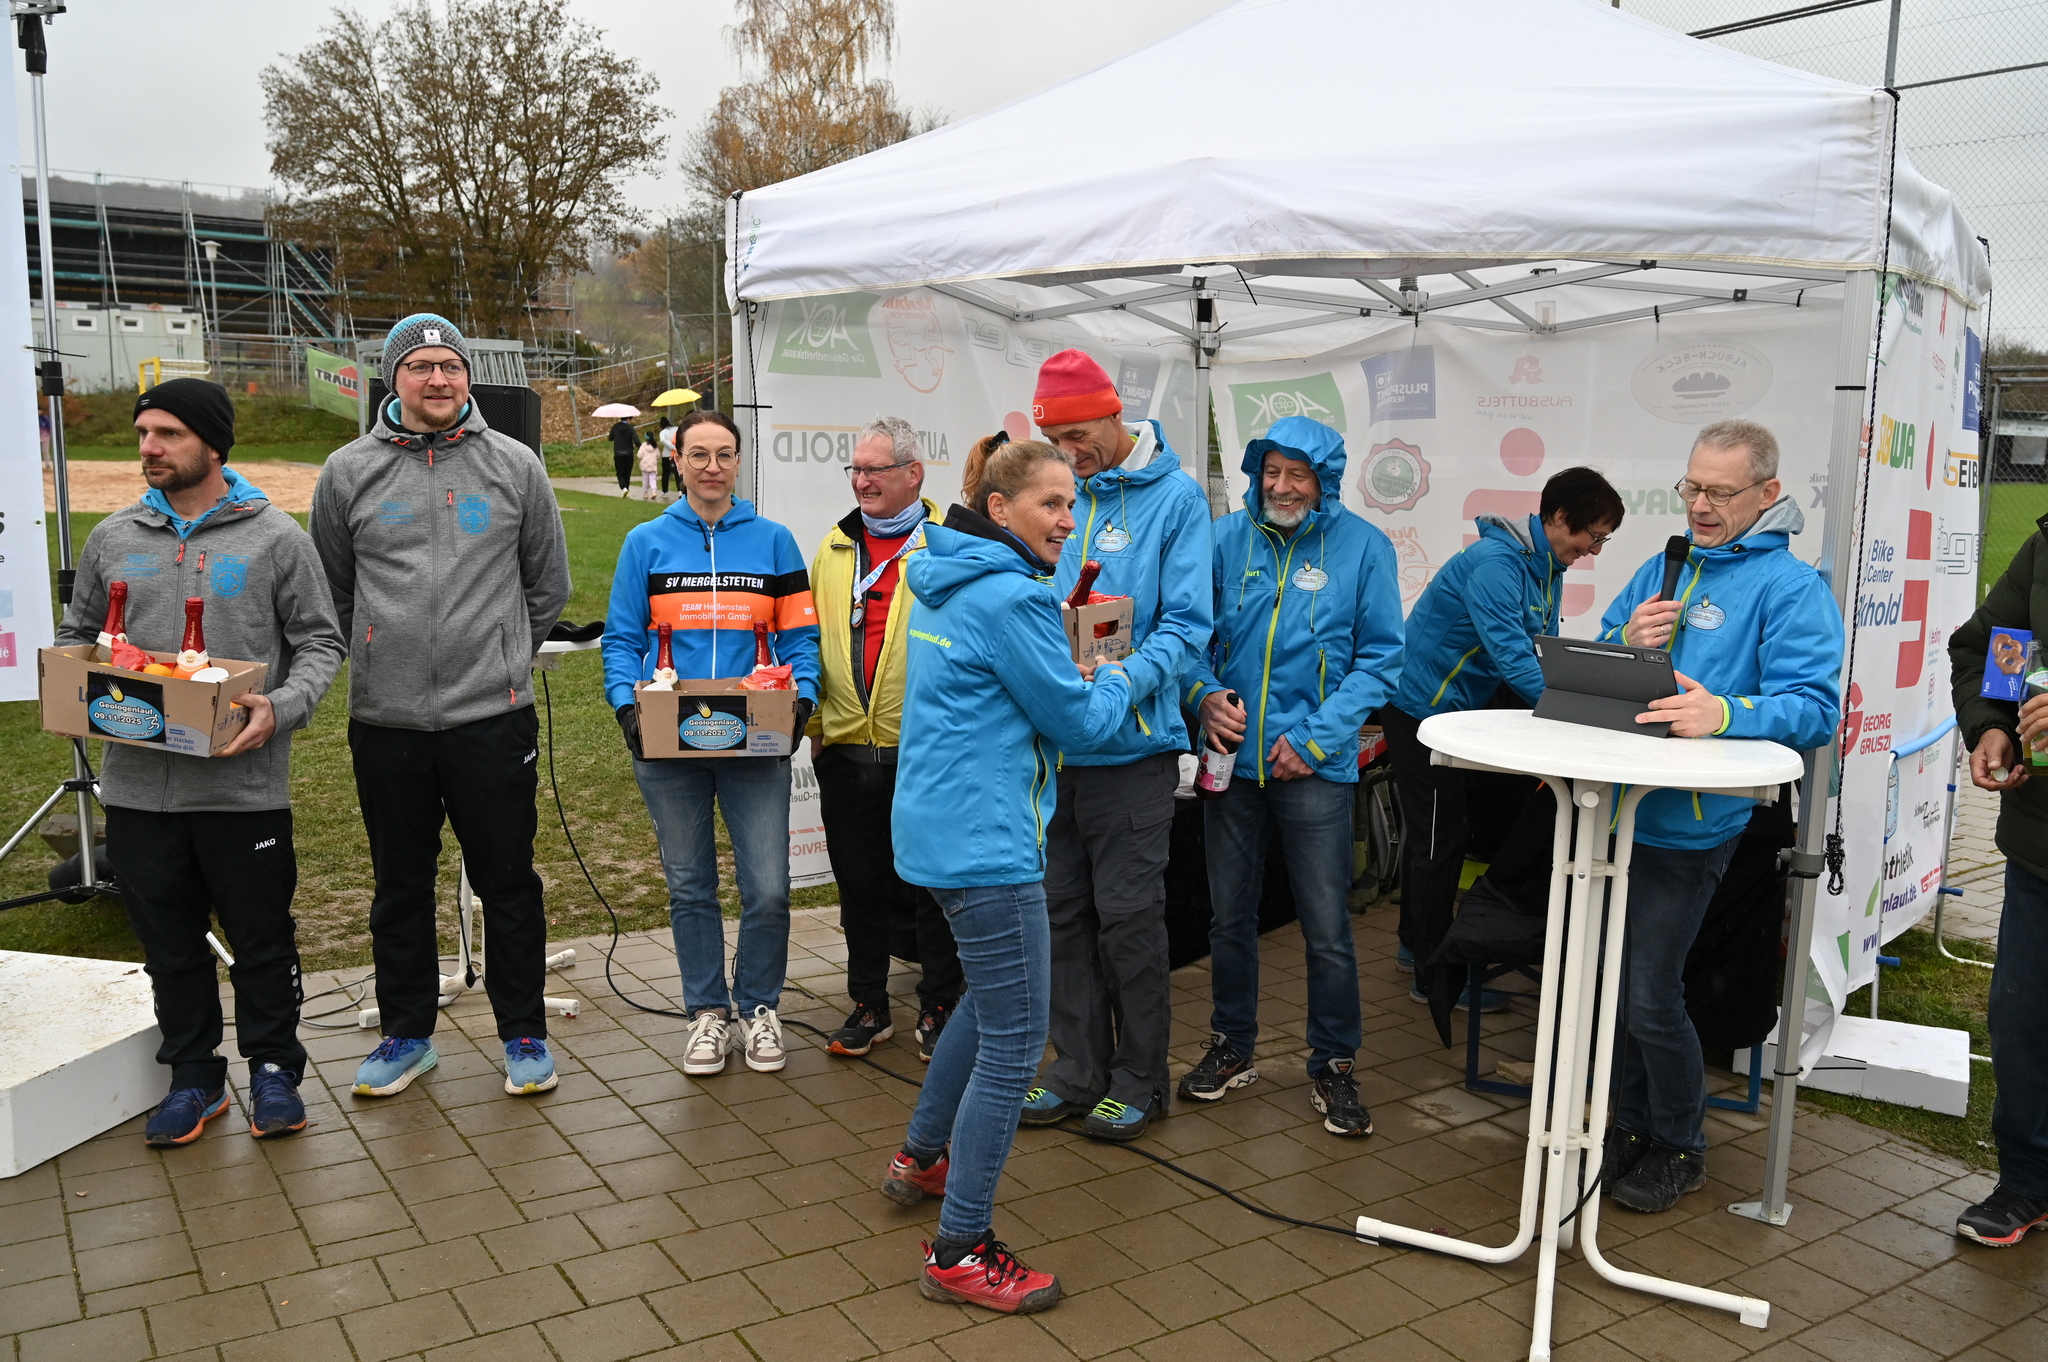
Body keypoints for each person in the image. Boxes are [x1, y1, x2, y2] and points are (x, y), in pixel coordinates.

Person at [881, 438, 1133, 1315]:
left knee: (990, 1005)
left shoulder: (942, 575)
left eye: (1072, 503)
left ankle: (921, 1156)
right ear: (999, 508)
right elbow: (1081, 724)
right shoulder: (1014, 597)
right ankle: (960, 1249)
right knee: (1017, 1044)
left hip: (939, 831)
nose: (1067, 520)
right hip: (986, 846)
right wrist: (1121, 673)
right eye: (1050, 504)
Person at [58, 379, 345, 1146]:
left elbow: (321, 641)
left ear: (212, 445)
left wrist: (280, 706)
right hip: (137, 793)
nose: (149, 447)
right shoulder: (112, 537)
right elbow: (79, 634)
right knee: (170, 948)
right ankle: (194, 1076)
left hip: (242, 790)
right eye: (143, 433)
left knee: (261, 941)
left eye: (168, 434)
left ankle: (275, 1070)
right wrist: (71, 687)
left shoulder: (276, 538)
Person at [310, 314, 571, 1100]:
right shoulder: (347, 471)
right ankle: (407, 1035)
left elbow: (548, 584)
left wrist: (501, 657)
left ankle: (523, 1032)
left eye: (449, 365)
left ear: (467, 375)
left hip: (492, 717)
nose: (437, 379)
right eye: (420, 366)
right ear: (393, 378)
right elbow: (332, 590)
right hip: (386, 721)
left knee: (508, 881)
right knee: (400, 885)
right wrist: (378, 653)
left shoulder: (514, 465)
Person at [1596, 418, 1841, 1212]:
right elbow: (1597, 668)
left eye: (1720, 492)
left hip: (1693, 826)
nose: (1700, 505)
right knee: (1615, 991)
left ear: (1768, 494)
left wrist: (1724, 713)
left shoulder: (1790, 587)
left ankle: (1680, 1143)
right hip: (1615, 814)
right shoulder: (1664, 566)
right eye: (1692, 487)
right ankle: (1630, 1125)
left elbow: (1814, 709)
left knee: (1649, 994)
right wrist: (1622, 635)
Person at [1181, 417, 1404, 1135]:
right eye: (1271, 471)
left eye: (1297, 474)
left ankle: (1334, 1062)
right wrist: (1203, 694)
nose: (1281, 487)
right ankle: (1232, 1045)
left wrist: (1313, 740)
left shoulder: (1364, 548)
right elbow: (1187, 636)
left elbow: (1380, 660)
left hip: (1314, 768)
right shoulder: (1223, 538)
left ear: (1324, 480)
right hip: (1232, 764)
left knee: (1327, 925)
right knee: (1228, 918)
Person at [1020, 349, 1214, 1141]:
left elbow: (1188, 627)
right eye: (1055, 442)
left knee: (1128, 922)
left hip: (1132, 752)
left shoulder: (1178, 499)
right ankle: (1076, 1068)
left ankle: (1140, 1077)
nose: (1070, 455)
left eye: (1078, 437)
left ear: (1112, 414)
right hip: (1054, 753)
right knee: (1060, 915)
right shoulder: (1056, 491)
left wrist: (1117, 681)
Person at [603, 410, 821, 1078]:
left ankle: (758, 1008)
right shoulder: (645, 542)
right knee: (691, 886)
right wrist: (627, 709)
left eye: (724, 454)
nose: (712, 467)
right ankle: (706, 1011)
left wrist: (802, 700)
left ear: (738, 461)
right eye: (698, 454)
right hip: (669, 741)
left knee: (770, 888)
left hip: (755, 736)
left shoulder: (775, 542)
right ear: (677, 460)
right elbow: (622, 639)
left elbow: (800, 636)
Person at [1384, 467, 1625, 1012]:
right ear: (1559, 517)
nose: (1594, 550)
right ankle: (1432, 975)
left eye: (1603, 540)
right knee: (1440, 838)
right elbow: (1516, 662)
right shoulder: (1496, 564)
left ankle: (1414, 944)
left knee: (1443, 834)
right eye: (1593, 535)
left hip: (1460, 714)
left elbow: (1544, 648)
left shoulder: (1547, 565)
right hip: (1420, 708)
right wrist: (1580, 713)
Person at [808, 416, 962, 1061]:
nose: (862, 481)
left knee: (932, 889)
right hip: (848, 752)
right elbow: (812, 639)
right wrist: (817, 728)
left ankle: (940, 1004)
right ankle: (869, 1003)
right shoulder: (834, 547)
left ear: (913, 474)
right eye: (856, 469)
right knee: (860, 887)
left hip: (926, 750)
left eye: (875, 470)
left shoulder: (950, 546)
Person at [1948, 517, 2048, 1245]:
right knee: (2022, 1020)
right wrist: (1993, 725)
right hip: (2039, 846)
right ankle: (2027, 1182)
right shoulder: (2045, 546)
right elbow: (1991, 647)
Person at [611, 414, 638, 496]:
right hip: (629, 453)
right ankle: (626, 488)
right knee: (627, 472)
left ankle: (623, 487)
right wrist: (641, 447)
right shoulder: (630, 428)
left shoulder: (615, 427)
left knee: (620, 472)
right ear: (629, 419)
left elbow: (610, 438)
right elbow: (636, 440)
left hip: (618, 453)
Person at [638, 433, 659, 500]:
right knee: (653, 479)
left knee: (645, 480)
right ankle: (653, 492)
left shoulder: (643, 446)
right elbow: (658, 455)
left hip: (645, 465)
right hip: (652, 465)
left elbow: (639, 455)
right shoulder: (655, 446)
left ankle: (645, 493)